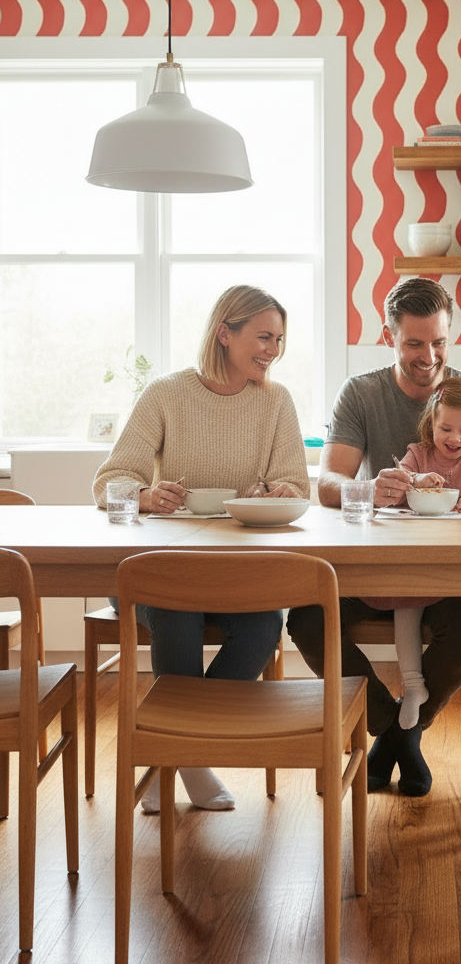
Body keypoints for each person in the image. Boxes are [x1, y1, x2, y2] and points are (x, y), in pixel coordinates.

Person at [287, 276, 461, 797]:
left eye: (440, 342)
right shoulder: (361, 394)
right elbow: (329, 484)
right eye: (415, 344)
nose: (430, 357)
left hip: (451, 576)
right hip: (375, 572)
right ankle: (394, 729)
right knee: (308, 620)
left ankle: (396, 741)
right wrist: (367, 488)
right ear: (388, 337)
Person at [93, 284, 309, 812]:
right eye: (263, 337)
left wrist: (280, 490)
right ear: (224, 333)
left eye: (279, 339)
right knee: (174, 612)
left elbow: (295, 485)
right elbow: (109, 480)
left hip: (236, 572)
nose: (272, 350)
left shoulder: (276, 401)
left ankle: (179, 749)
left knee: (263, 625)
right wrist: (144, 494)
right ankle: (187, 758)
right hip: (159, 571)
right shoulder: (167, 394)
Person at [363, 377, 461, 729]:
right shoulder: (418, 453)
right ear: (432, 424)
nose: (455, 439)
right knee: (404, 607)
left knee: (454, 622)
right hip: (415, 557)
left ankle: (409, 704)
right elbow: (402, 479)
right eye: (446, 429)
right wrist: (416, 481)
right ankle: (413, 686)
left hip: (456, 564)